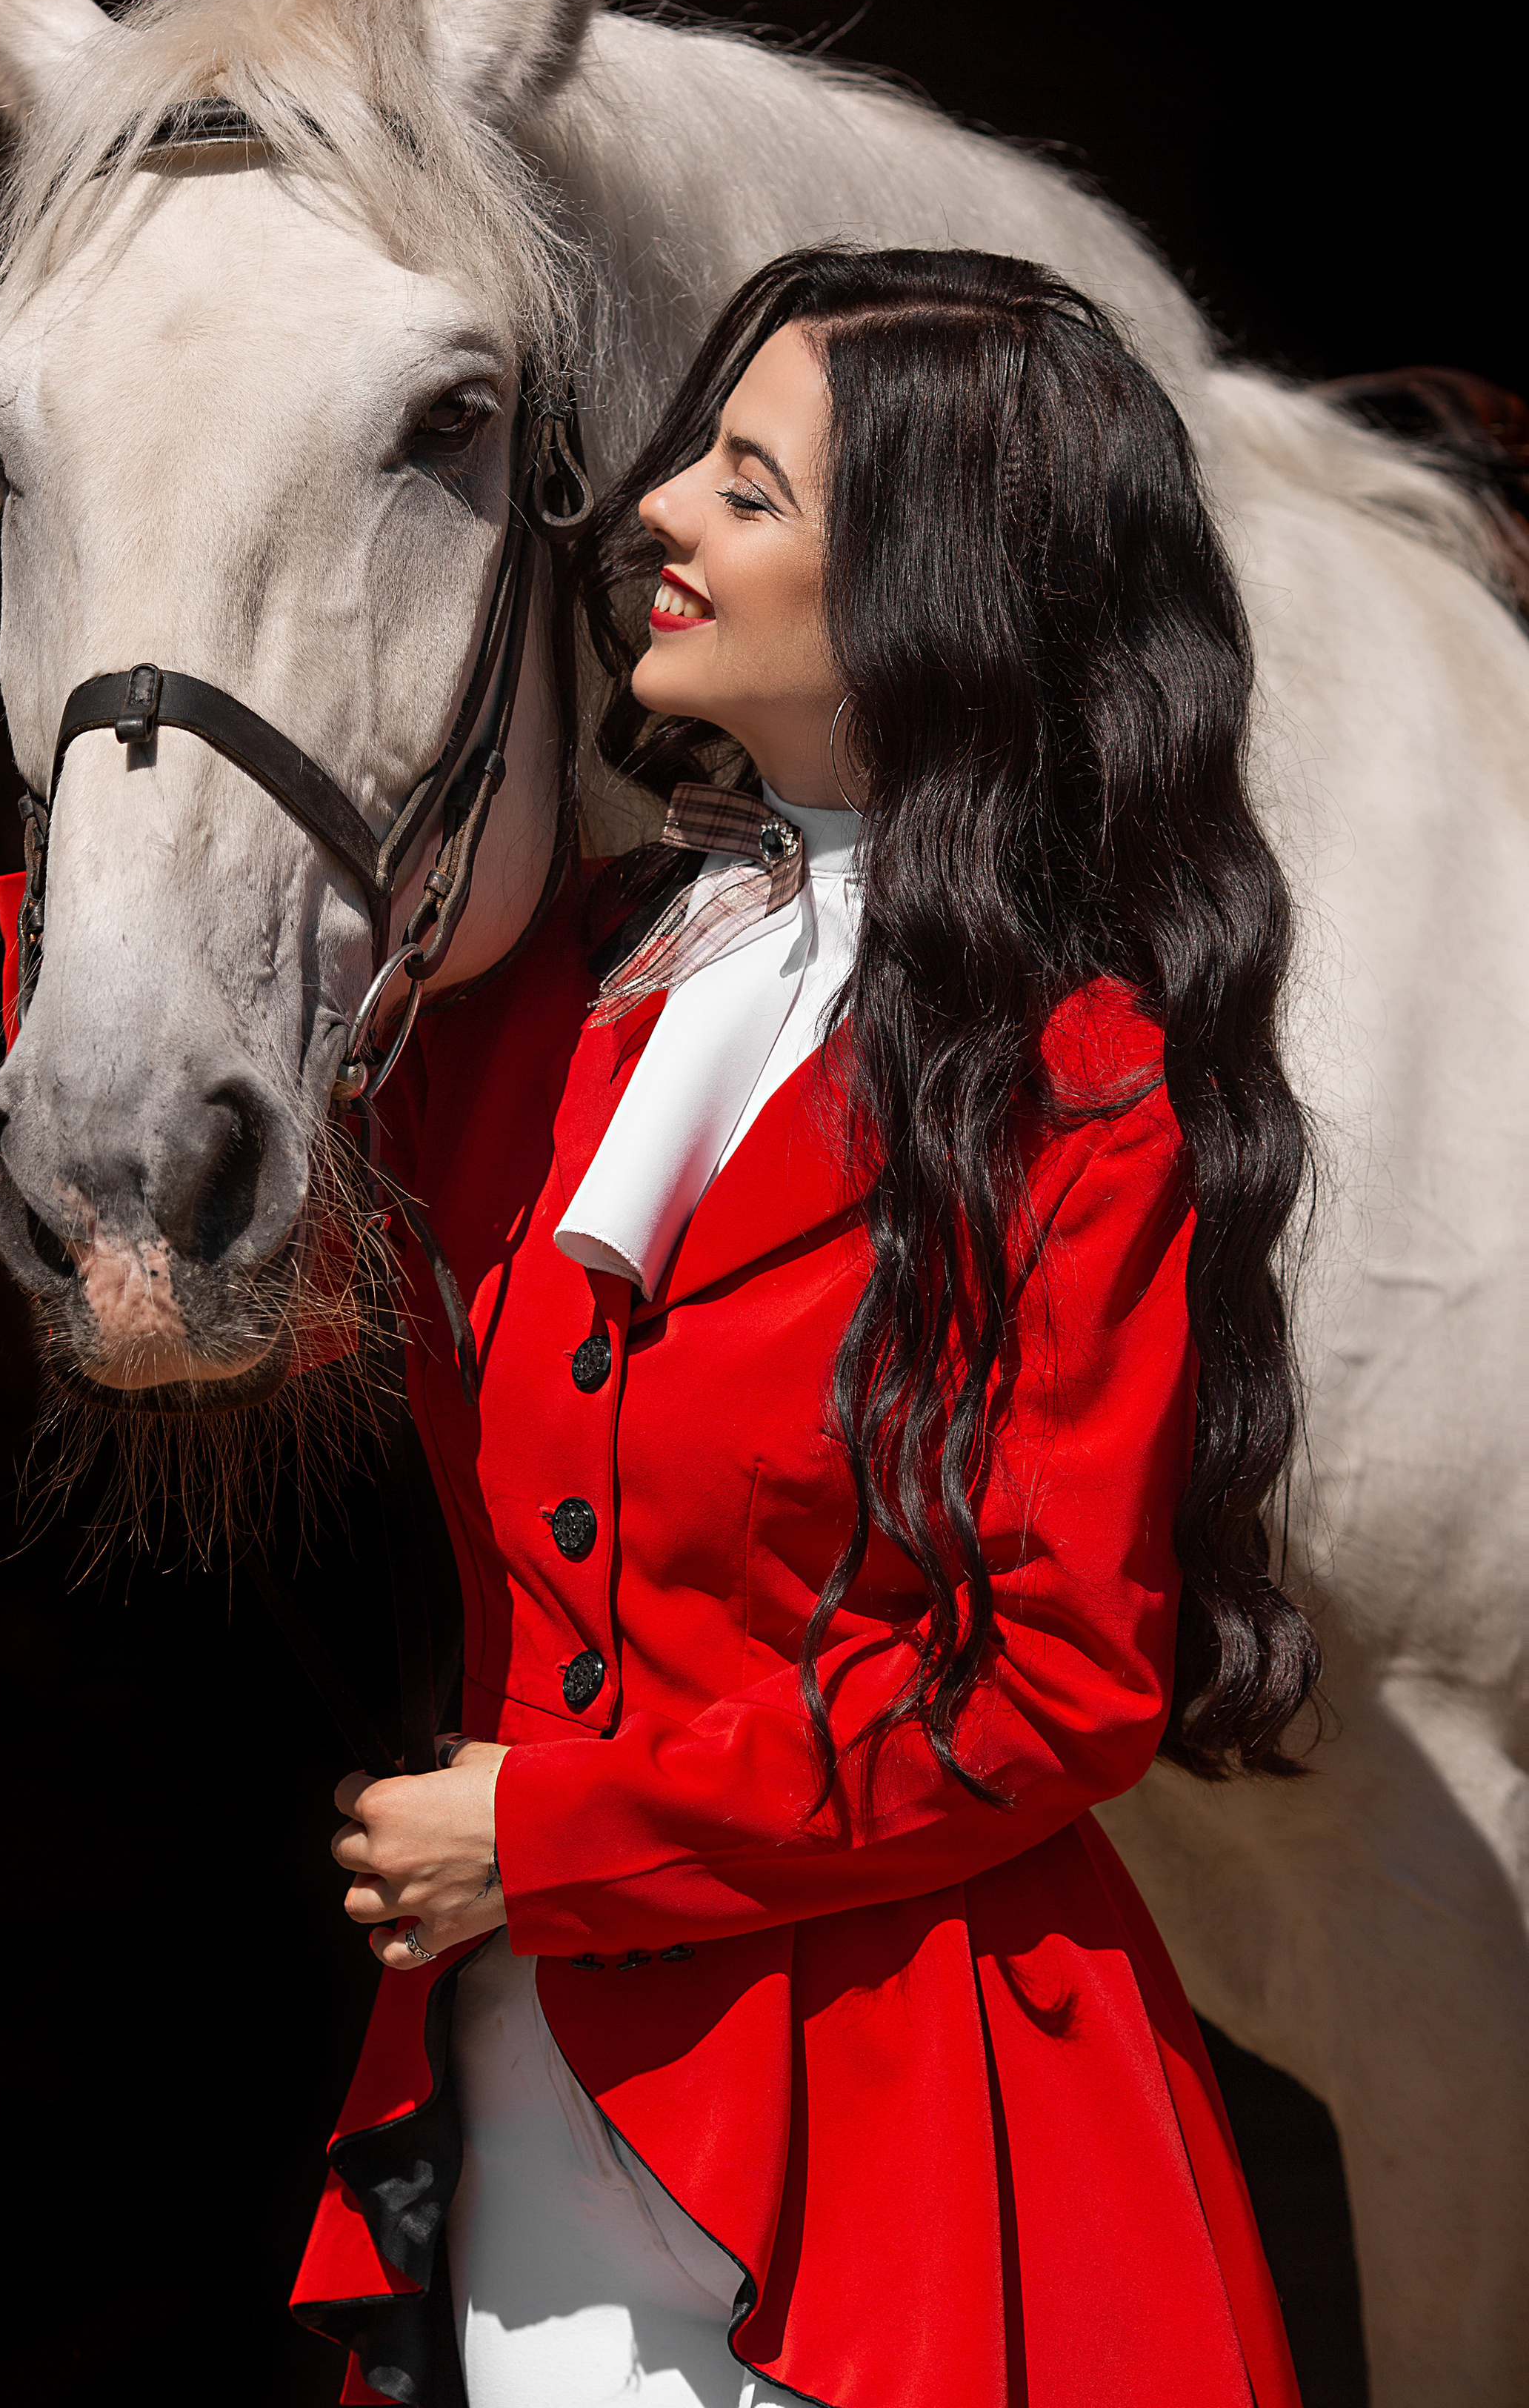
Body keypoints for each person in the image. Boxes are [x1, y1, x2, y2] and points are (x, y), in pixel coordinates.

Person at [290, 248, 1316, 2408]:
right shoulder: (573, 1004)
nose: (658, 509)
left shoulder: (1075, 1085)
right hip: (527, 2090)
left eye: (748, 490)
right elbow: (250, 1281)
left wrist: (546, 1835)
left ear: (934, 588)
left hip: (905, 2125)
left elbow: (1046, 1682)